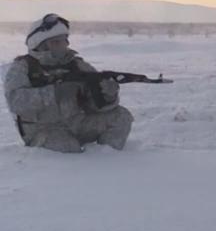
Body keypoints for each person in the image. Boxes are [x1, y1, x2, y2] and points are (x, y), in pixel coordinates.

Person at [3, 13, 133, 153]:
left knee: (121, 117)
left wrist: (108, 96)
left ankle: (108, 161)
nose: (63, 45)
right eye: (55, 42)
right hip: (43, 129)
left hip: (77, 124)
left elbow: (96, 106)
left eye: (64, 40)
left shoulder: (77, 65)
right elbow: (16, 102)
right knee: (68, 148)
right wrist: (56, 93)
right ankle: (72, 173)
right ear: (40, 45)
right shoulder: (23, 67)